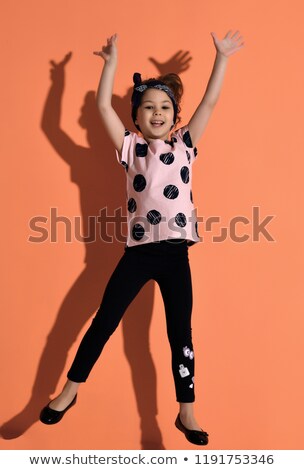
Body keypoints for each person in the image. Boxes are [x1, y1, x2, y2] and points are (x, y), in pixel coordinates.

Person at [40, 31, 244, 445]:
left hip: (175, 257)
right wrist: (109, 65)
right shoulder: (130, 147)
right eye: (148, 107)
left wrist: (221, 58)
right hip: (137, 254)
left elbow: (210, 103)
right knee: (102, 322)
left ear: (175, 115)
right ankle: (69, 390)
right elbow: (99, 106)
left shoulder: (186, 144)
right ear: (136, 116)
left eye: (165, 107)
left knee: (179, 335)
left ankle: (187, 412)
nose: (157, 113)